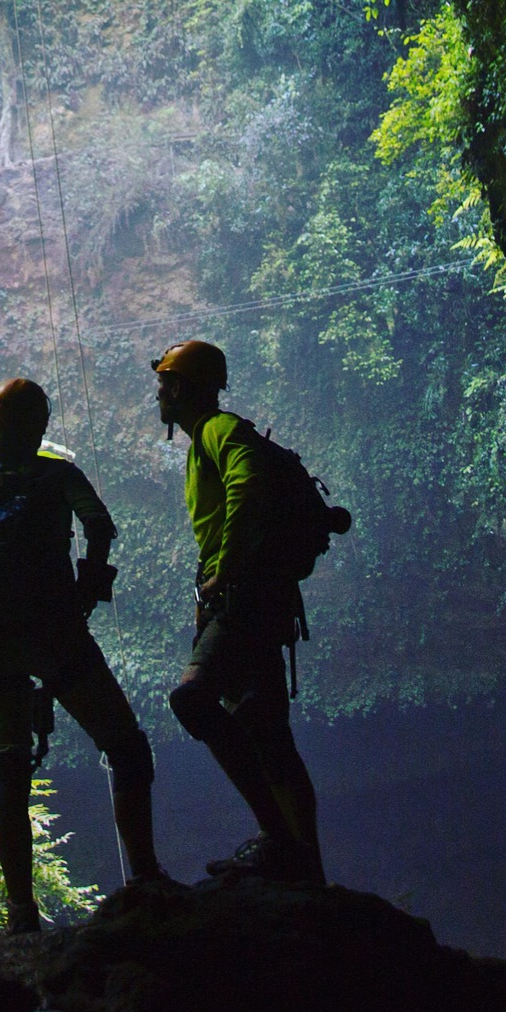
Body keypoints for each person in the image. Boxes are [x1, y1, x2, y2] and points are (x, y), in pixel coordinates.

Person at [0, 377, 166, 931]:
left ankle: (20, 911)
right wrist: (87, 588)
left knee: (6, 764)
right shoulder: (58, 475)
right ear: (42, 424)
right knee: (126, 747)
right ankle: (145, 878)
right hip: (56, 639)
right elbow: (99, 525)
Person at [152, 337, 325, 884]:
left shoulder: (217, 431)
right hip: (263, 599)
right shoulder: (211, 436)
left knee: (193, 698)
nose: (157, 395)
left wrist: (223, 571)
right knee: (268, 732)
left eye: (162, 383)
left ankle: (279, 841)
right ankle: (307, 868)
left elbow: (246, 487)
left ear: (179, 387)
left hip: (244, 601)